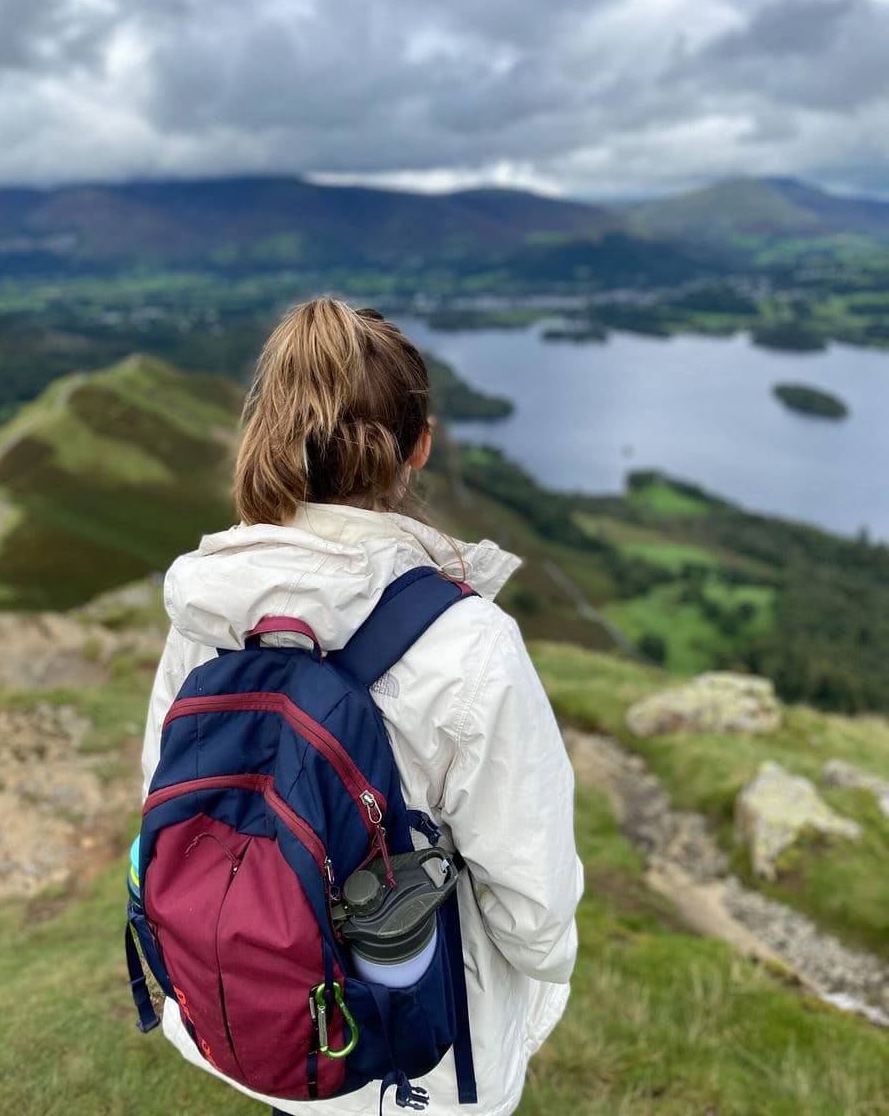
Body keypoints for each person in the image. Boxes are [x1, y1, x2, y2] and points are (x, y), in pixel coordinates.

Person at [141, 297, 584, 1116]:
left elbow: (168, 801)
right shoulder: (470, 641)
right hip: (417, 1049)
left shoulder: (205, 610)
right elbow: (533, 907)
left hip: (261, 1010)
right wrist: (541, 983)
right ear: (419, 445)